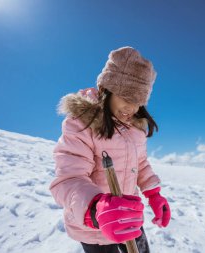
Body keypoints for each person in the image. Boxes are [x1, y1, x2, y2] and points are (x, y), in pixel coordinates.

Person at [49, 46, 171, 253]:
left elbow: (141, 164)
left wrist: (154, 194)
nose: (132, 109)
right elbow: (69, 178)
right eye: (127, 98)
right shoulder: (82, 123)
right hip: (95, 226)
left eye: (138, 102)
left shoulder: (135, 129)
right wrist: (96, 209)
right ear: (108, 89)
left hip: (129, 216)